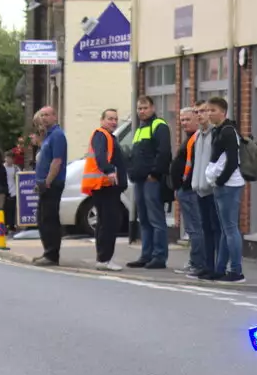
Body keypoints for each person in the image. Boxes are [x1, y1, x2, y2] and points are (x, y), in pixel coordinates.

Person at [204, 95, 246, 283]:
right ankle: (220, 268)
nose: (209, 114)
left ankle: (236, 271)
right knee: (225, 229)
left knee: (230, 229)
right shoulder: (218, 130)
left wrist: (220, 181)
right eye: (208, 110)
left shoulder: (228, 131)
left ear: (223, 112)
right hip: (222, 185)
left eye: (212, 110)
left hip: (229, 185)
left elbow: (232, 161)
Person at [127, 97, 172, 269]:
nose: (142, 111)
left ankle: (159, 257)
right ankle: (146, 255)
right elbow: (135, 154)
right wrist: (132, 172)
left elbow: (164, 152)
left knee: (156, 220)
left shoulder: (159, 125)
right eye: (139, 108)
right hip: (139, 180)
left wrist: (154, 173)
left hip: (151, 181)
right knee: (144, 220)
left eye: (145, 108)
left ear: (153, 108)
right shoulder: (140, 128)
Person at [170, 106, 210, 278]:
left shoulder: (195, 139)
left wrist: (183, 184)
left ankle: (197, 263)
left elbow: (190, 165)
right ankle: (196, 262)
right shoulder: (191, 138)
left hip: (190, 190)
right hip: (186, 189)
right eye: (182, 120)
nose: (184, 123)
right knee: (194, 228)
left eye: (187, 119)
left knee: (195, 228)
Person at [85, 108, 127, 270]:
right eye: (110, 118)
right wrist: (109, 170)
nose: (113, 122)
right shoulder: (101, 135)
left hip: (107, 186)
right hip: (104, 185)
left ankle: (103, 258)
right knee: (109, 222)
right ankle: (104, 259)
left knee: (106, 222)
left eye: (115, 119)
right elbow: (101, 156)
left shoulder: (108, 136)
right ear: (102, 120)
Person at [33, 107, 67, 264]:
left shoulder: (58, 135)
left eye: (47, 115)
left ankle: (52, 255)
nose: (44, 118)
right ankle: (47, 251)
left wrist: (47, 181)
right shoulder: (48, 136)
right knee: (42, 219)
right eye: (42, 115)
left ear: (55, 116)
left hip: (52, 184)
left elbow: (57, 161)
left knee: (49, 219)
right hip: (43, 183)